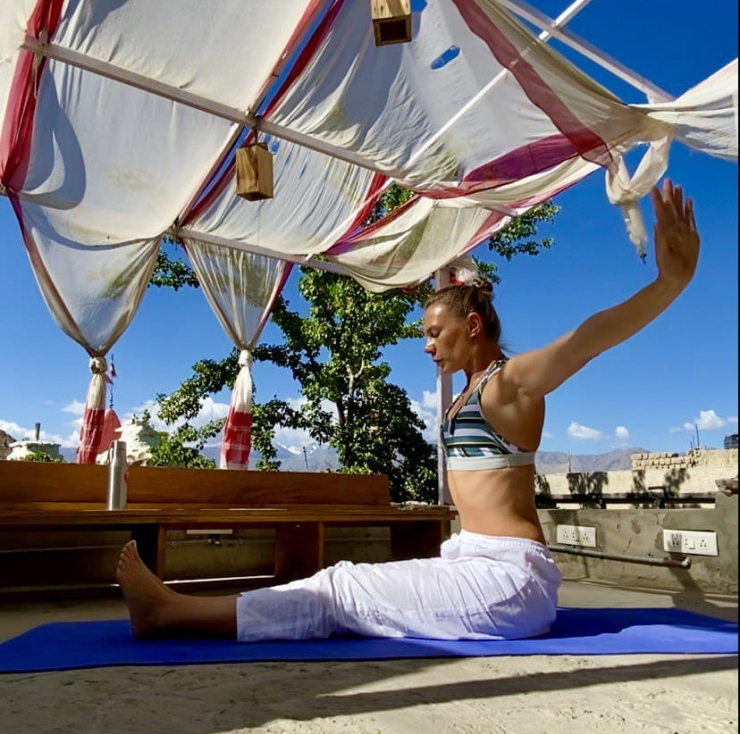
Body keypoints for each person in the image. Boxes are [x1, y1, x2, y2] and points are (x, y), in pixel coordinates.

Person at [117, 179, 699, 641]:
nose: (426, 345)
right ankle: (180, 609)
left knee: (339, 593)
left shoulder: (508, 385)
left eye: (434, 333)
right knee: (339, 581)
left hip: (507, 580)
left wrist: (669, 284)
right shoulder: (467, 393)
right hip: (468, 562)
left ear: (473, 327)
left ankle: (171, 614)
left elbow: (587, 339)